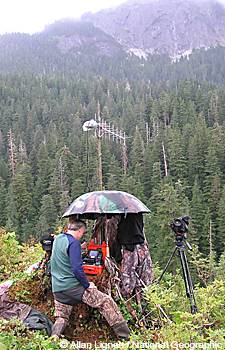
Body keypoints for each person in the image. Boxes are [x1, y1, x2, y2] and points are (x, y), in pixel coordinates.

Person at [50, 219, 130, 338]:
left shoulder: (58, 239)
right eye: (83, 232)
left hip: (57, 288)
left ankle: (53, 338)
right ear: (79, 230)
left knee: (62, 316)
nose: (82, 235)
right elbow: (77, 269)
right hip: (72, 287)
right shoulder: (73, 243)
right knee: (105, 301)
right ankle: (125, 336)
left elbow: (63, 256)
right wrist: (88, 285)